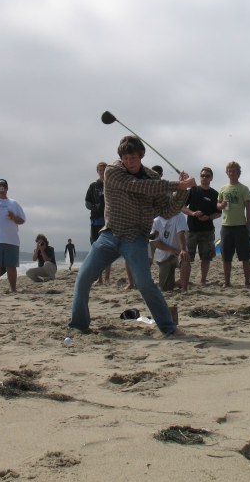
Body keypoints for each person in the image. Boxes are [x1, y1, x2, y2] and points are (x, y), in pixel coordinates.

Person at [69, 135, 195, 336]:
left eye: (133, 158)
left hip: (136, 237)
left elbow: (167, 210)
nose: (129, 162)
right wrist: (176, 185)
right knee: (83, 277)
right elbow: (137, 186)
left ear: (141, 155)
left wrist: (183, 190)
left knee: (144, 284)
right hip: (110, 234)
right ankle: (79, 325)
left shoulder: (153, 177)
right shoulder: (112, 171)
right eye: (125, 158)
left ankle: (169, 328)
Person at [182, 166, 221, 285]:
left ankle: (203, 280)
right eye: (202, 175)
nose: (204, 178)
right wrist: (193, 213)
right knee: (187, 257)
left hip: (207, 230)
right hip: (191, 229)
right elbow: (182, 207)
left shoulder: (215, 194)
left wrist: (208, 217)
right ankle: (185, 280)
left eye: (207, 176)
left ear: (211, 178)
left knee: (206, 257)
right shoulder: (193, 190)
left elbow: (219, 213)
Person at [216, 161, 250, 287]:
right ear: (227, 173)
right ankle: (227, 282)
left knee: (245, 256)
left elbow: (249, 208)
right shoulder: (223, 188)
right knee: (226, 257)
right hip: (226, 226)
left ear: (238, 172)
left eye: (234, 171)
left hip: (241, 226)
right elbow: (218, 205)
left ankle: (247, 282)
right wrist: (221, 205)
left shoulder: (244, 189)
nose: (231, 173)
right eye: (229, 171)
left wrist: (248, 225)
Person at [85, 162, 111, 285]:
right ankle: (99, 278)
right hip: (96, 221)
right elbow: (87, 202)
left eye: (104, 169)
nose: (102, 172)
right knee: (97, 249)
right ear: (97, 171)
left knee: (108, 249)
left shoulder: (112, 184)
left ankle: (107, 278)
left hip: (109, 220)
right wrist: (95, 207)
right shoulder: (93, 186)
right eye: (100, 170)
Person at [151, 212, 190, 292]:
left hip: (178, 253)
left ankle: (184, 287)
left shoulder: (179, 216)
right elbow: (155, 242)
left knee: (185, 257)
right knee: (165, 288)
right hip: (164, 257)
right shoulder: (156, 221)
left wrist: (182, 249)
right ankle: (177, 282)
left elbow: (181, 233)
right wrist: (173, 250)